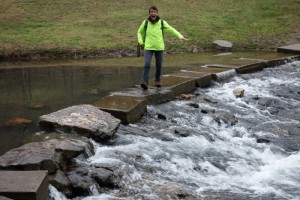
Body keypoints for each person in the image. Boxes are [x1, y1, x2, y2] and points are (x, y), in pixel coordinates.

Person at [137, 5, 188, 90]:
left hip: (159, 47)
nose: (153, 13)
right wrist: (141, 42)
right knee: (147, 64)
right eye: (151, 12)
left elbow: (171, 29)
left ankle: (157, 80)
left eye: (155, 12)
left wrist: (180, 36)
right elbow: (139, 32)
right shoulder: (145, 22)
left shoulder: (161, 22)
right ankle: (145, 81)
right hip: (148, 47)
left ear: (157, 13)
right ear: (149, 13)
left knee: (159, 65)